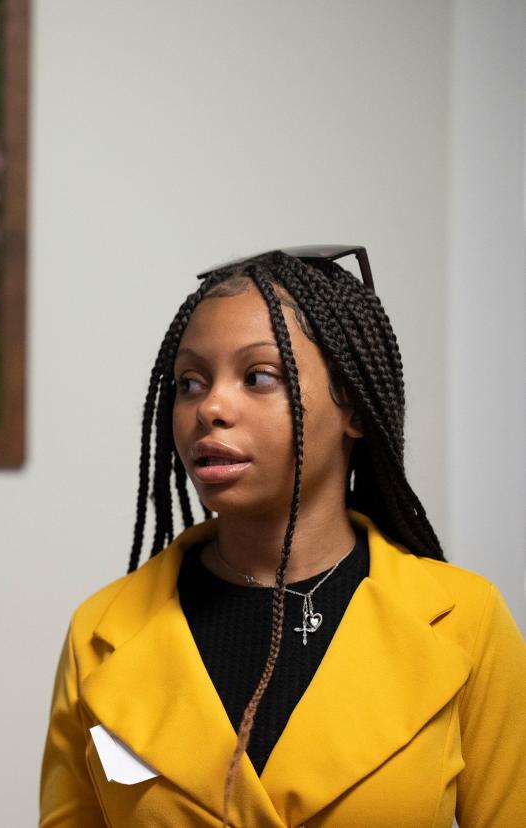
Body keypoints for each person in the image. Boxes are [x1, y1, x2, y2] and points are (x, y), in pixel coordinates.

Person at [39, 248, 526, 827]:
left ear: (354, 408)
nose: (211, 406)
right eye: (190, 382)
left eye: (259, 376)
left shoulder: (467, 623)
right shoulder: (99, 634)